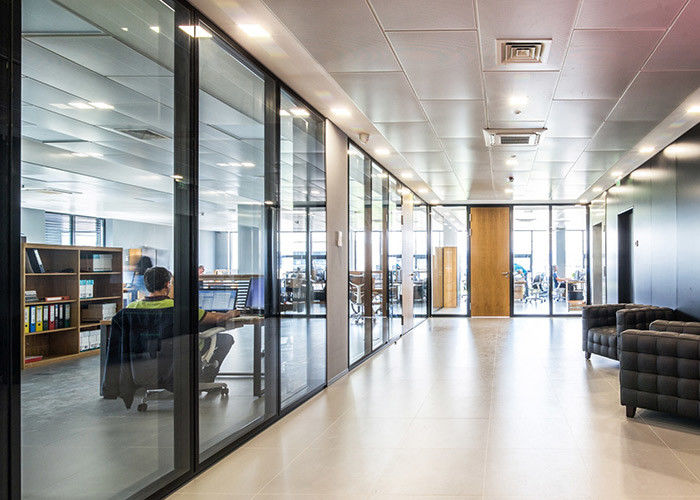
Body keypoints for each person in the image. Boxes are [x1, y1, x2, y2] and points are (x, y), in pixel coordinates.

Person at [127, 266, 238, 382]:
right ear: (167, 284)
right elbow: (217, 318)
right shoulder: (179, 308)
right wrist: (230, 314)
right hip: (177, 356)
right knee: (226, 339)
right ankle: (206, 379)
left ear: (147, 285)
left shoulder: (131, 308)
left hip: (145, 360)